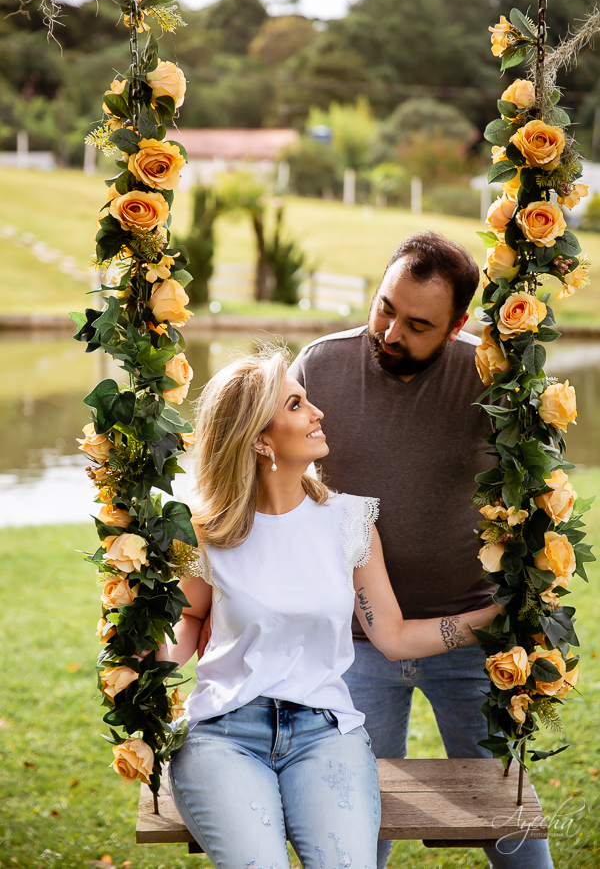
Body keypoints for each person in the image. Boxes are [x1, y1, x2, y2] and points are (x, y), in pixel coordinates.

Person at [162, 345, 503, 869]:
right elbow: (188, 619)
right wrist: (139, 657)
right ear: (258, 439)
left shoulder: (349, 523)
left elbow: (391, 636)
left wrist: (498, 619)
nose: (318, 412)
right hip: (224, 733)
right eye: (296, 405)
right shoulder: (208, 532)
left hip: (325, 733)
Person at [289, 229, 554, 869]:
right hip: (354, 640)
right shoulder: (318, 368)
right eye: (385, 307)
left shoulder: (494, 383)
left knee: (508, 819)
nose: (390, 332)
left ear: (457, 324)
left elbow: (540, 496)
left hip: (470, 637)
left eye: (417, 324)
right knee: (355, 823)